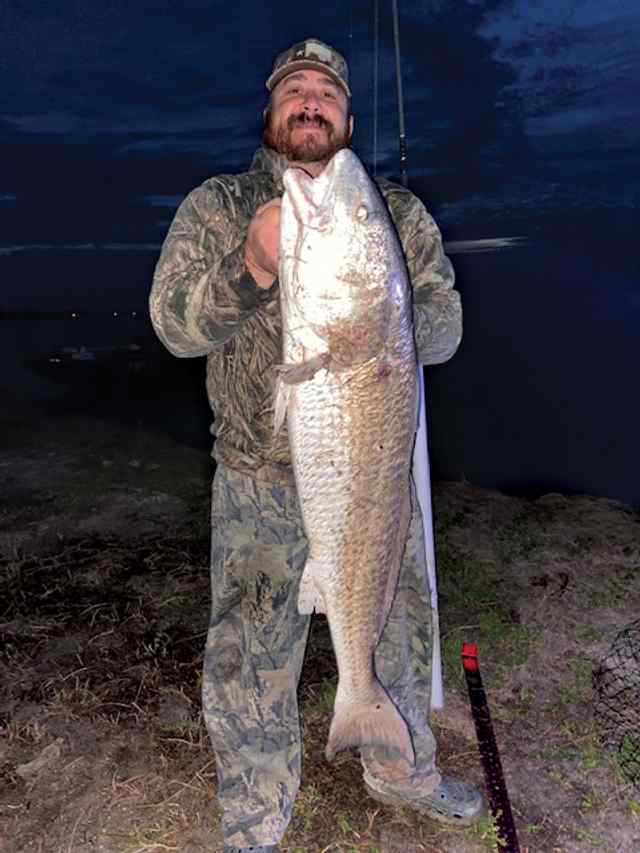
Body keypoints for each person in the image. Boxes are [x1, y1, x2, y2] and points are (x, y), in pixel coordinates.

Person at [150, 38, 484, 853]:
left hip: (372, 470)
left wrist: (382, 309)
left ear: (348, 119)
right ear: (270, 113)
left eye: (326, 94)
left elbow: (444, 327)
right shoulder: (221, 204)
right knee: (251, 656)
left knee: (397, 627)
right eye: (294, 91)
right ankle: (256, 816)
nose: (310, 103)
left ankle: (401, 768)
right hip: (257, 479)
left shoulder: (390, 211)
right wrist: (252, 264)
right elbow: (174, 326)